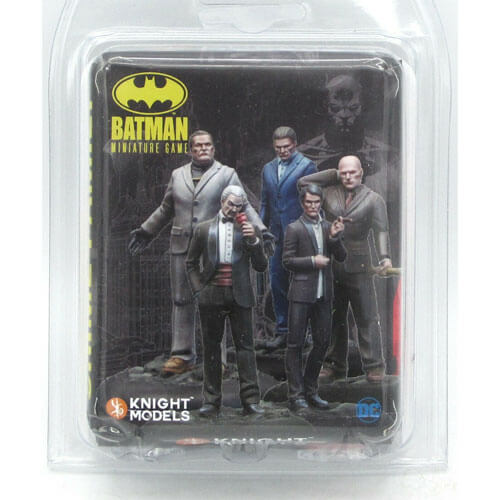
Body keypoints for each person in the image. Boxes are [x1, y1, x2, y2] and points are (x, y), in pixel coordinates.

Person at [128, 130, 266, 375]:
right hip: (181, 245)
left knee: (215, 302)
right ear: (190, 150)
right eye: (198, 146)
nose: (203, 149)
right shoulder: (177, 175)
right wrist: (147, 231)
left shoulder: (226, 174)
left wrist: (261, 230)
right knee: (181, 299)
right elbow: (166, 208)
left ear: (214, 148)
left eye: (207, 145)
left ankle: (217, 360)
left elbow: (243, 205)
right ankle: (182, 356)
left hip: (213, 246)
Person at [298, 155, 392, 382]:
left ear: (361, 173)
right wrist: (333, 173)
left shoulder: (374, 199)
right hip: (332, 263)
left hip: (360, 263)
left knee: (366, 316)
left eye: (353, 172)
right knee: (332, 317)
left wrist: (385, 257)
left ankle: (374, 366)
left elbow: (381, 231)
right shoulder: (328, 193)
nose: (348, 177)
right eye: (344, 173)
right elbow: (303, 183)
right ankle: (333, 365)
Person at [185, 185, 267, 417]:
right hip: (211, 294)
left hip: (240, 295)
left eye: (238, 206)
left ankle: (251, 401)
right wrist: (198, 290)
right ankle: (211, 401)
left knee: (245, 348)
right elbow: (190, 263)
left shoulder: (249, 230)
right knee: (211, 348)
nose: (233, 209)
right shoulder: (203, 229)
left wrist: (254, 241)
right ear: (222, 202)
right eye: (230, 204)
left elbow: (261, 266)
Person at [282, 184, 346, 411]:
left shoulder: (328, 226)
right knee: (295, 344)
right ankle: (296, 395)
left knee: (322, 342)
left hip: (323, 294)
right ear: (302, 203)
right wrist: (312, 261)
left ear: (321, 203)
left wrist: (335, 237)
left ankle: (311, 391)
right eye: (308, 202)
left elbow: (341, 256)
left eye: (316, 202)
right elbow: (287, 261)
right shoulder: (294, 228)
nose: (312, 206)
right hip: (301, 295)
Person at [259, 126, 317, 350]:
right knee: (277, 282)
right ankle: (283, 331)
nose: (282, 151)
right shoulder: (267, 169)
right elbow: (265, 203)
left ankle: (304, 333)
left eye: (286, 147)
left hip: (300, 233)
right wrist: (261, 230)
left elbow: (313, 201)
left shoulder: (306, 166)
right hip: (275, 235)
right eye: (278, 148)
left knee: (303, 284)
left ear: (295, 144)